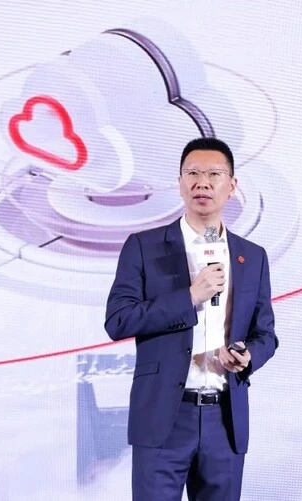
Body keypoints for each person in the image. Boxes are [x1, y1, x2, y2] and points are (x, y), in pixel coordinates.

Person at [104, 137, 278, 500]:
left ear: (232, 186)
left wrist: (248, 356)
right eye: (193, 173)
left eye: (214, 174)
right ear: (180, 183)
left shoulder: (252, 256)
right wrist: (189, 297)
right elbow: (119, 320)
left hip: (225, 419)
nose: (203, 183)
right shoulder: (144, 246)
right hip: (163, 417)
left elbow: (265, 333)